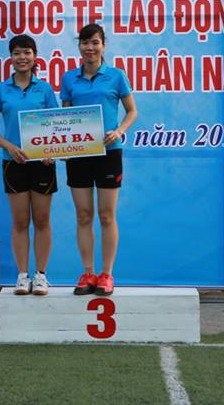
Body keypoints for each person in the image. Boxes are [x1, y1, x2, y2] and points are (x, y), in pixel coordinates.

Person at [60, 24, 138, 296]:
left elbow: (132, 111)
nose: (90, 48)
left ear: (103, 45)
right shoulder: (69, 79)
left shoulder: (116, 76)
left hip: (109, 152)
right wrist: (64, 145)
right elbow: (66, 118)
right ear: (79, 46)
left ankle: (106, 274)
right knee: (83, 215)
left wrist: (119, 131)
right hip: (79, 154)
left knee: (106, 215)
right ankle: (88, 273)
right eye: (85, 43)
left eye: (95, 42)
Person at [0, 35, 59, 295]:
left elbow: (54, 125)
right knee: (20, 221)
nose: (22, 58)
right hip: (13, 163)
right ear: (11, 58)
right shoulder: (0, 90)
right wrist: (9, 147)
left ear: (35, 56)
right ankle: (22, 275)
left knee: (42, 219)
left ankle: (41, 275)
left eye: (27, 52)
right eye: (17, 53)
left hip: (42, 163)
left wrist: (51, 151)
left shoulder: (45, 89)